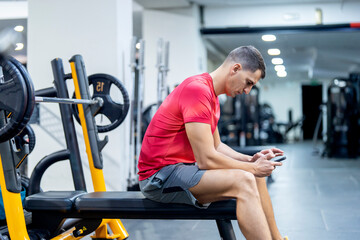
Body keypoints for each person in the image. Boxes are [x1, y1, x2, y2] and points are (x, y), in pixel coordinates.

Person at [138, 46, 287, 240]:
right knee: (245, 179)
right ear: (235, 69)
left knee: (255, 175)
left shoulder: (212, 97)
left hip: (182, 170)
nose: (248, 90)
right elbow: (206, 159)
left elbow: (217, 146)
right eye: (248, 82)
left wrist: (251, 160)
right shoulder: (197, 90)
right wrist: (252, 169)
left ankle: (277, 238)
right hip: (158, 178)